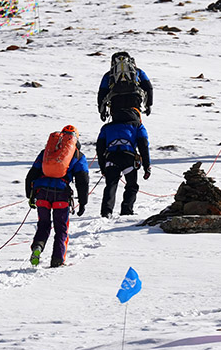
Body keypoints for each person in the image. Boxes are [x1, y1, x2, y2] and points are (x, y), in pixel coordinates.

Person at [25, 126, 90, 268]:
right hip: (61, 194)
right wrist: (83, 201)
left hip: (41, 192)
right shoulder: (78, 156)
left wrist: (30, 195)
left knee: (43, 224)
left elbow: (31, 174)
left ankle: (37, 247)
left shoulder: (47, 152)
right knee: (61, 228)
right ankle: (57, 260)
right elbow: (82, 180)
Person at [96, 107, 151, 217]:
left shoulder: (107, 127)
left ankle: (106, 211)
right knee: (132, 185)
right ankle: (126, 210)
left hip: (111, 158)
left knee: (111, 184)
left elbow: (100, 147)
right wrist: (147, 166)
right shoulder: (138, 126)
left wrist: (103, 167)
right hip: (129, 158)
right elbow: (143, 146)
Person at [98, 51, 154, 120]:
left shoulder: (109, 75)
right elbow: (148, 88)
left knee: (117, 124)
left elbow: (102, 92)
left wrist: (102, 110)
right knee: (134, 123)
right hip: (134, 99)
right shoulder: (137, 71)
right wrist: (148, 104)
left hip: (116, 100)